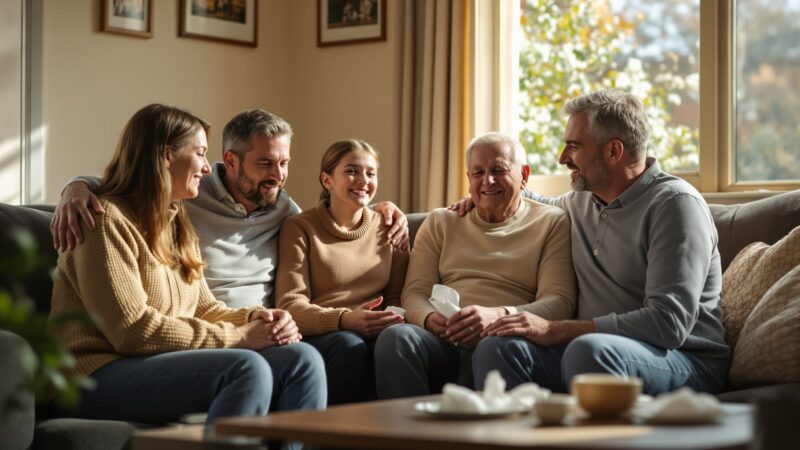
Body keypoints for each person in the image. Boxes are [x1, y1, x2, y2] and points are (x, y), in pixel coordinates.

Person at [46, 104, 326, 431]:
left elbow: (203, 306)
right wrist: (238, 336)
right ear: (166, 156)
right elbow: (132, 331)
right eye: (201, 154)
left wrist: (257, 319)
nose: (208, 168)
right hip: (93, 374)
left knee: (302, 360)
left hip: (152, 361)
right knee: (245, 367)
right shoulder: (102, 222)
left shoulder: (177, 220)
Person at [454, 90, 730, 395]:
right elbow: (528, 199)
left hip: (686, 361)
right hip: (593, 351)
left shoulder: (675, 205)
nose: (562, 158)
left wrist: (555, 330)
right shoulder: (581, 202)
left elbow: (668, 324)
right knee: (497, 347)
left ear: (613, 151)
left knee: (588, 351)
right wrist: (484, 192)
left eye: (574, 146)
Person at [51, 109, 408, 310]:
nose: (278, 176)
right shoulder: (187, 192)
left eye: (284, 163)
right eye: (266, 163)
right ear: (231, 161)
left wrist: (382, 209)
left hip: (259, 322)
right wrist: (76, 187)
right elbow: (133, 182)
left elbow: (332, 217)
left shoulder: (284, 208)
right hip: (204, 320)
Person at [373, 132, 577, 399]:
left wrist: (499, 316)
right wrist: (431, 320)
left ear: (524, 175)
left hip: (503, 336)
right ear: (468, 178)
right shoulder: (441, 222)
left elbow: (559, 301)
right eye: (477, 172)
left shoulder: (551, 222)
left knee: (491, 346)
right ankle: (405, 439)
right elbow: (414, 293)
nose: (487, 181)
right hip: (443, 338)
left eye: (499, 170)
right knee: (396, 339)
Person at [275, 139, 408, 404]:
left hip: (376, 333)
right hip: (327, 336)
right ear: (327, 180)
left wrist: (389, 321)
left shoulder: (390, 226)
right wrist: (345, 319)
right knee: (350, 345)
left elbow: (397, 297)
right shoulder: (299, 228)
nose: (363, 180)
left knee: (399, 340)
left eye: (370, 173)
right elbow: (290, 305)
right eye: (351, 171)